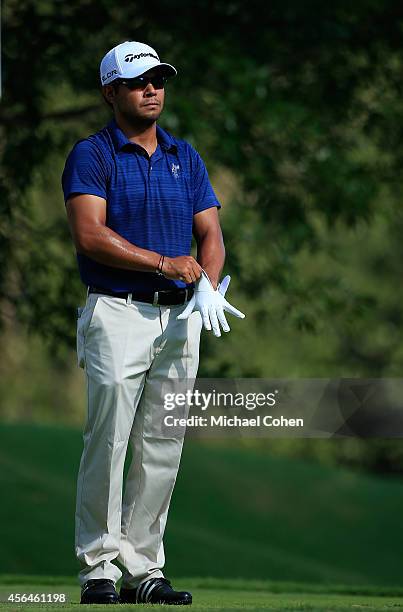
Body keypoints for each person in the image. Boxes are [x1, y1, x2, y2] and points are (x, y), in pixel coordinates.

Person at [62, 40, 244, 605]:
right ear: (110, 91)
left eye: (159, 80)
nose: (152, 89)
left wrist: (207, 286)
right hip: (117, 312)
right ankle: (98, 569)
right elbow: (89, 235)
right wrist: (167, 262)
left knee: (163, 445)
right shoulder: (91, 155)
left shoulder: (184, 157)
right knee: (109, 441)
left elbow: (210, 234)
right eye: (140, 81)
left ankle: (145, 570)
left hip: (180, 318)